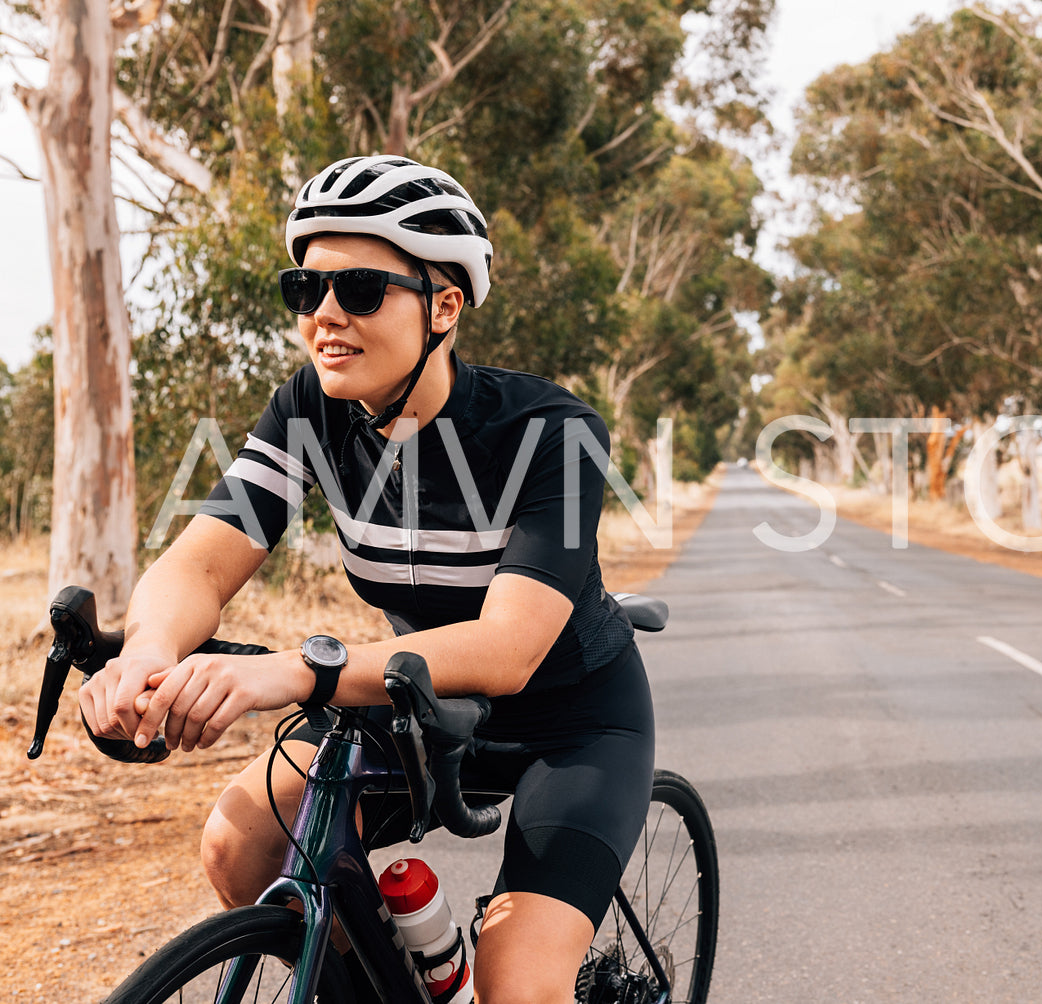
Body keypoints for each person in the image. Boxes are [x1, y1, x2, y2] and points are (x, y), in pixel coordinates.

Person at [77, 155, 654, 1004]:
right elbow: (203, 556)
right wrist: (148, 650)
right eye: (305, 290)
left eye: (359, 290)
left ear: (444, 306)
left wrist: (292, 671)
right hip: (411, 708)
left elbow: (508, 650)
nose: (324, 317)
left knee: (516, 985)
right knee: (239, 843)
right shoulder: (309, 409)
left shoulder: (551, 431)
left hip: (570, 725)